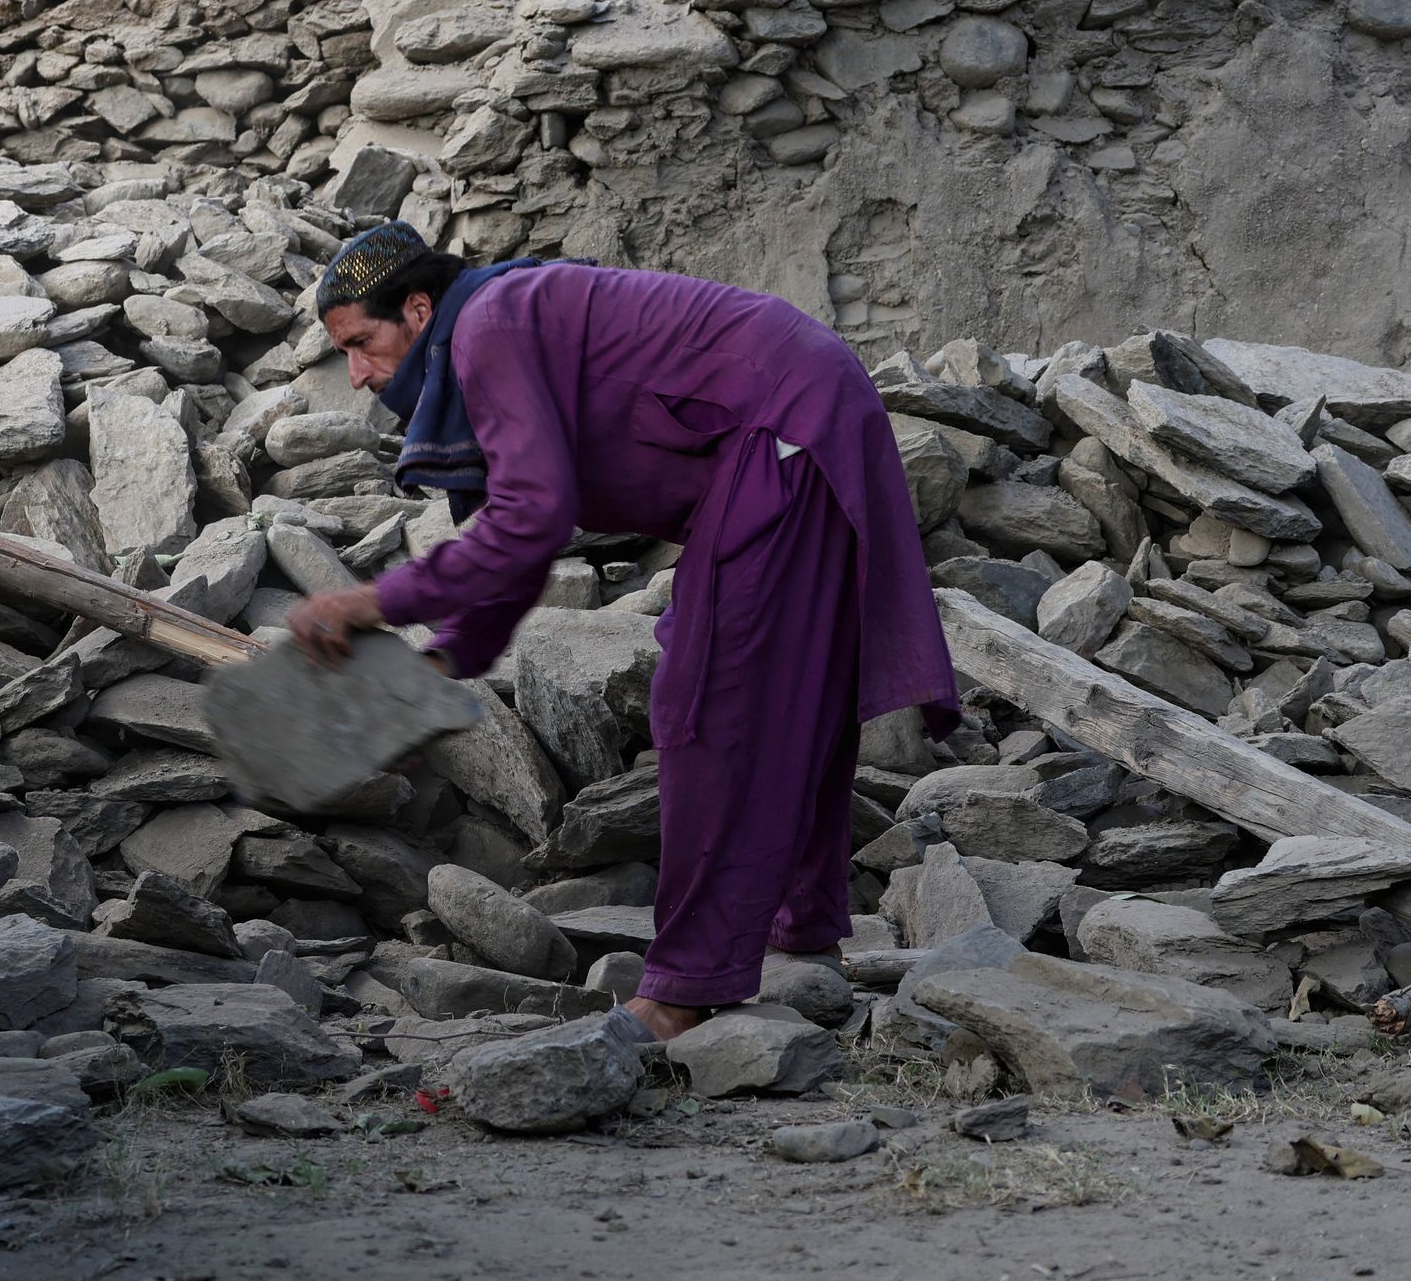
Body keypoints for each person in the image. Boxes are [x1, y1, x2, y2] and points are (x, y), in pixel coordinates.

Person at [285, 224, 956, 1043]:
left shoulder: (490, 326)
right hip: (792, 418)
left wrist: (370, 602)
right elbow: (523, 534)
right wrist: (441, 665)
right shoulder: (492, 321)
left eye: (361, 342)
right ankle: (801, 930)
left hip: (783, 428)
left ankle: (687, 988)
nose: (356, 374)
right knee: (787, 690)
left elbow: (529, 519)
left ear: (418, 309)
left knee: (710, 699)